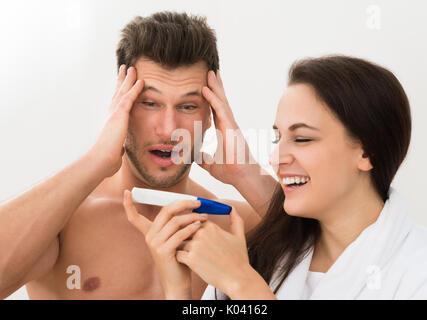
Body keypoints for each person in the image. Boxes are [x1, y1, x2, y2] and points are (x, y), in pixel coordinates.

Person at [125, 55, 427, 299]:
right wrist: (178, 289)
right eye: (279, 138)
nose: (276, 158)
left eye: (303, 138)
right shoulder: (259, 254)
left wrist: (244, 285)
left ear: (366, 153)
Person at [0, 12, 276, 299]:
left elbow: (324, 273)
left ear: (211, 115)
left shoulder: (236, 226)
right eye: (150, 103)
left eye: (188, 106)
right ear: (122, 105)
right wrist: (96, 161)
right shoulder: (62, 223)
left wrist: (247, 174)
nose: (169, 129)